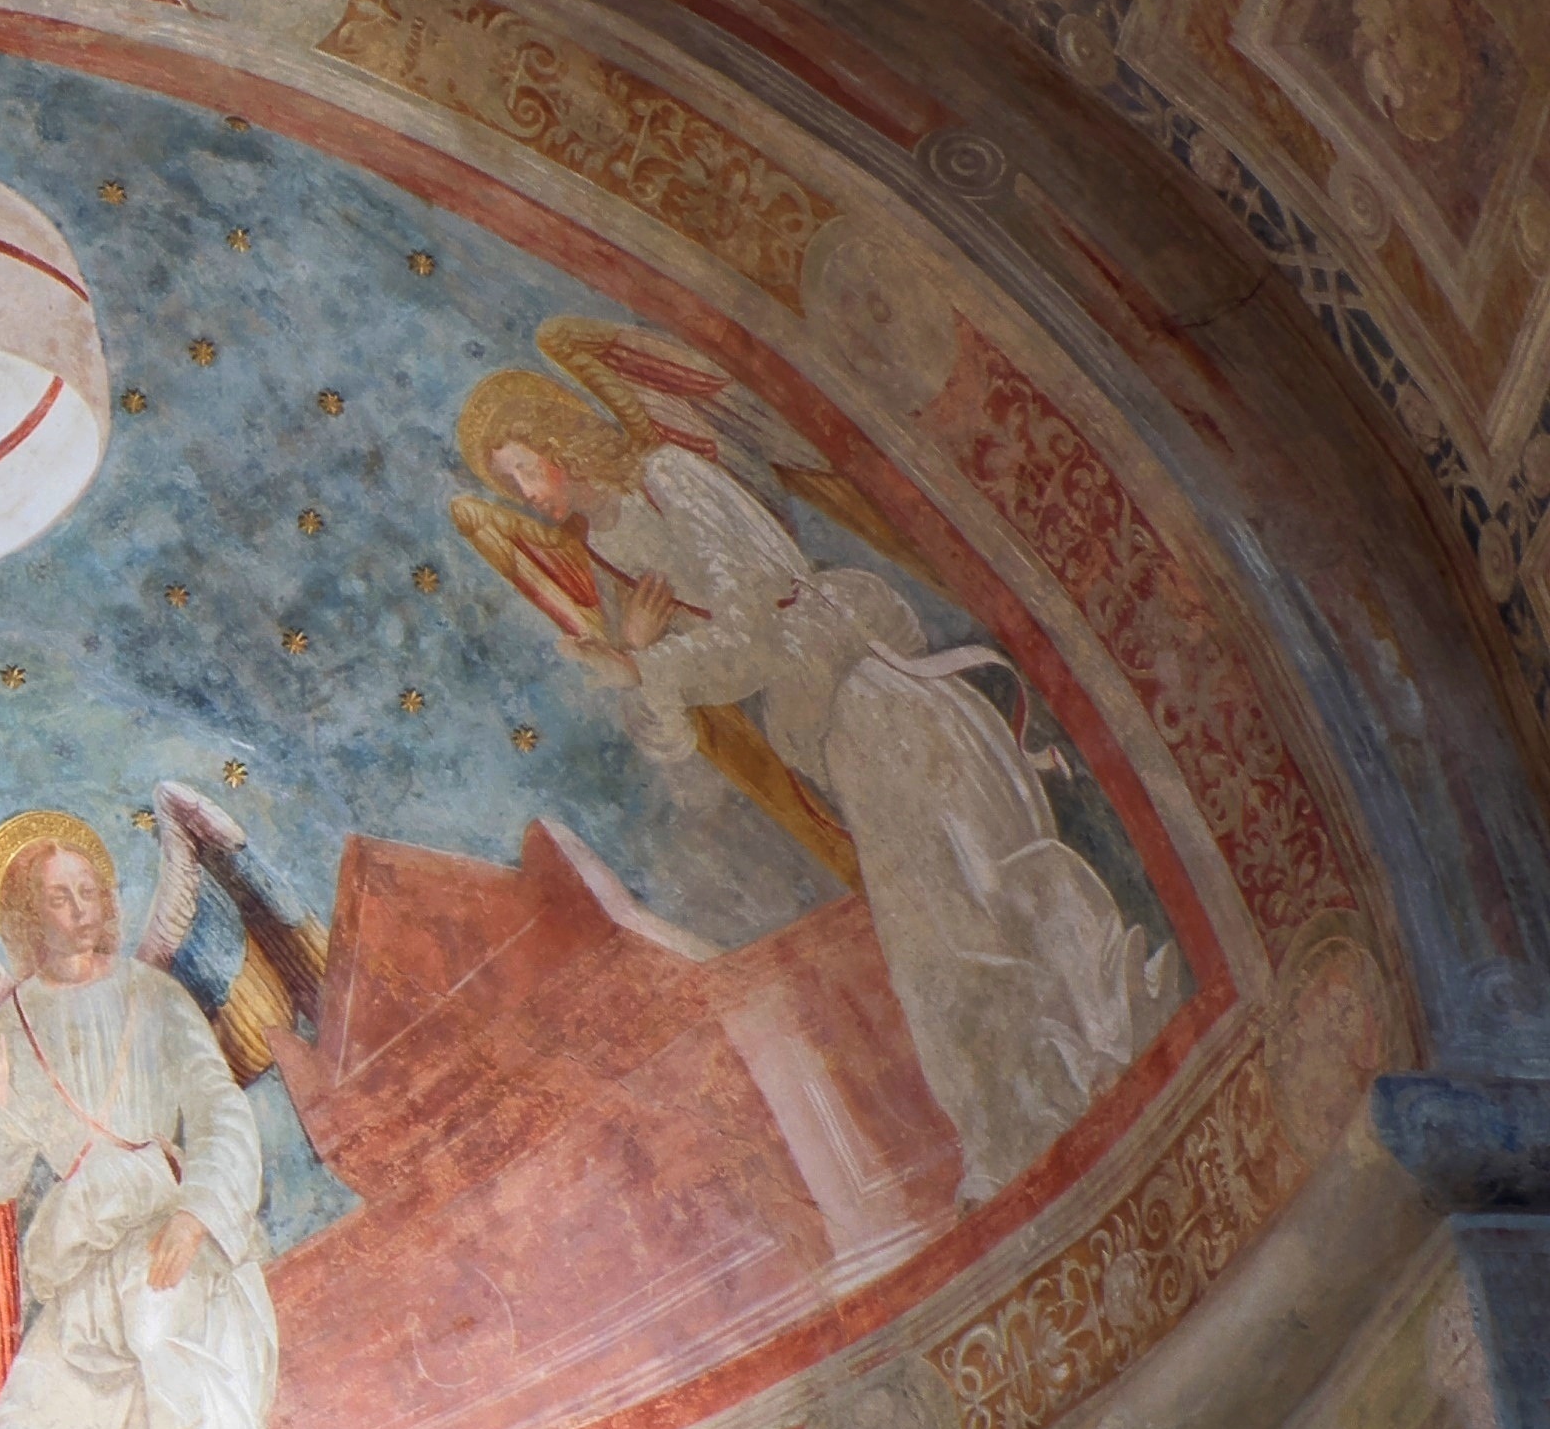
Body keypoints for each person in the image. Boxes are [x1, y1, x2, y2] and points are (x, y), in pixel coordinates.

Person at [459, 368, 1173, 1200]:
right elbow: (680, 754)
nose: (525, 492)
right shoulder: (615, 566)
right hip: (834, 745)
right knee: (930, 947)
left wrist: (641, 663)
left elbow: (759, 629)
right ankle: (1018, 1134)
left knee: (975, 897)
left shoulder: (669, 480)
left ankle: (1089, 1073)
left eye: (523, 467)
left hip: (876, 703)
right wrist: (634, 672)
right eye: (507, 484)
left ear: (557, 439)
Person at [0, 816, 277, 1429]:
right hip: (83, 1254)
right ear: (30, 915)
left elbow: (220, 1109)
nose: (81, 908)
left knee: (162, 1328)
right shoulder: (13, 1026)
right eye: (60, 897)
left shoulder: (153, 997)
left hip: (169, 1226)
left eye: (90, 890)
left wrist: (197, 1215)